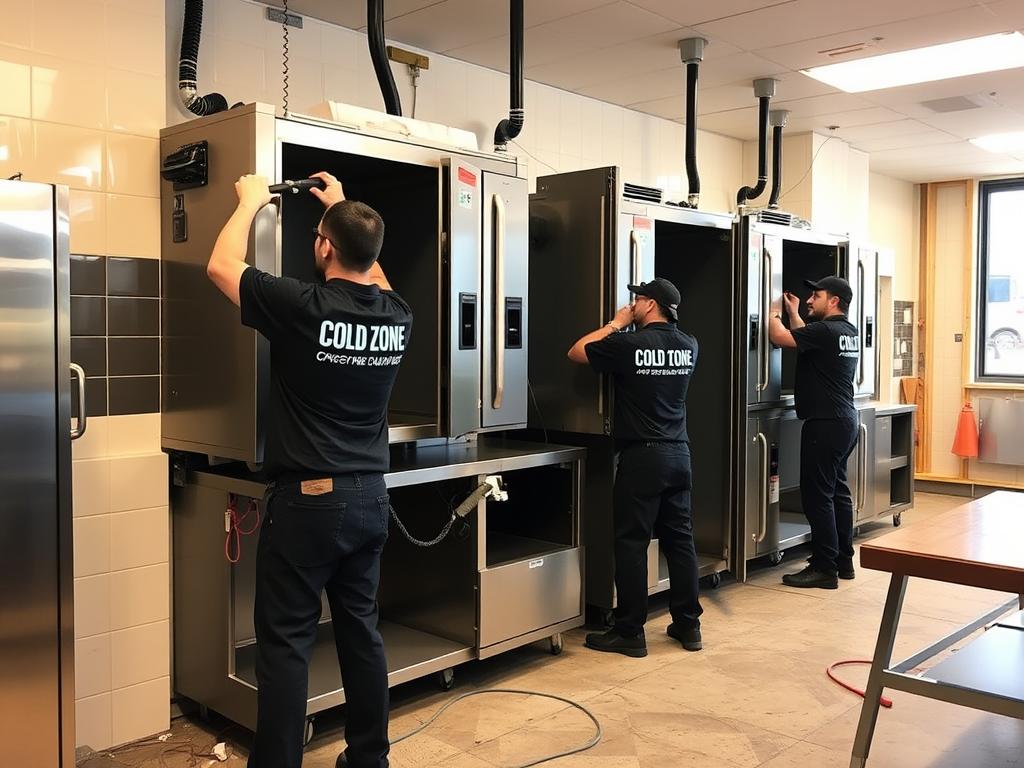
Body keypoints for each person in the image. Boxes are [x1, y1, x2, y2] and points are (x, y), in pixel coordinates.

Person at [206, 171, 412, 768]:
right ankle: (370, 758)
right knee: (361, 635)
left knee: (287, 646)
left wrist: (247, 203)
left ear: (323, 248)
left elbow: (221, 266)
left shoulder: (302, 305)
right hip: (372, 498)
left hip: (309, 502)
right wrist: (345, 209)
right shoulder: (397, 315)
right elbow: (375, 274)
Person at [567, 278, 703, 657]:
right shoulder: (690, 345)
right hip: (680, 454)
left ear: (649, 305)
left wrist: (615, 323)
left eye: (637, 299)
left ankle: (629, 632)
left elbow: (577, 351)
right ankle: (688, 626)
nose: (632, 303)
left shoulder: (629, 345)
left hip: (643, 457)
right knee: (680, 542)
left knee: (631, 543)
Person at [769, 276, 859, 590]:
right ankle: (842, 560)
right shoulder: (846, 331)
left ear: (833, 301)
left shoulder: (825, 331)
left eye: (816, 295)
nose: (809, 299)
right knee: (836, 493)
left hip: (825, 423)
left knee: (817, 497)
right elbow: (806, 335)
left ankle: (823, 568)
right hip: (844, 420)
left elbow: (781, 338)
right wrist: (794, 314)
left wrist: (769, 309)